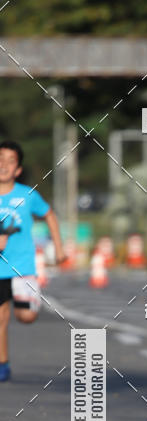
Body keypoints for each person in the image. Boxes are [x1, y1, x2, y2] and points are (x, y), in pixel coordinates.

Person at [0, 140, 65, 382]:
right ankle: (2, 365)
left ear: (17, 169)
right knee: (0, 317)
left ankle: (27, 305)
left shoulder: (27, 195)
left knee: (26, 317)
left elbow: (48, 214)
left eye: (10, 161)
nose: (3, 164)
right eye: (0, 159)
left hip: (23, 267)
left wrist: (58, 249)